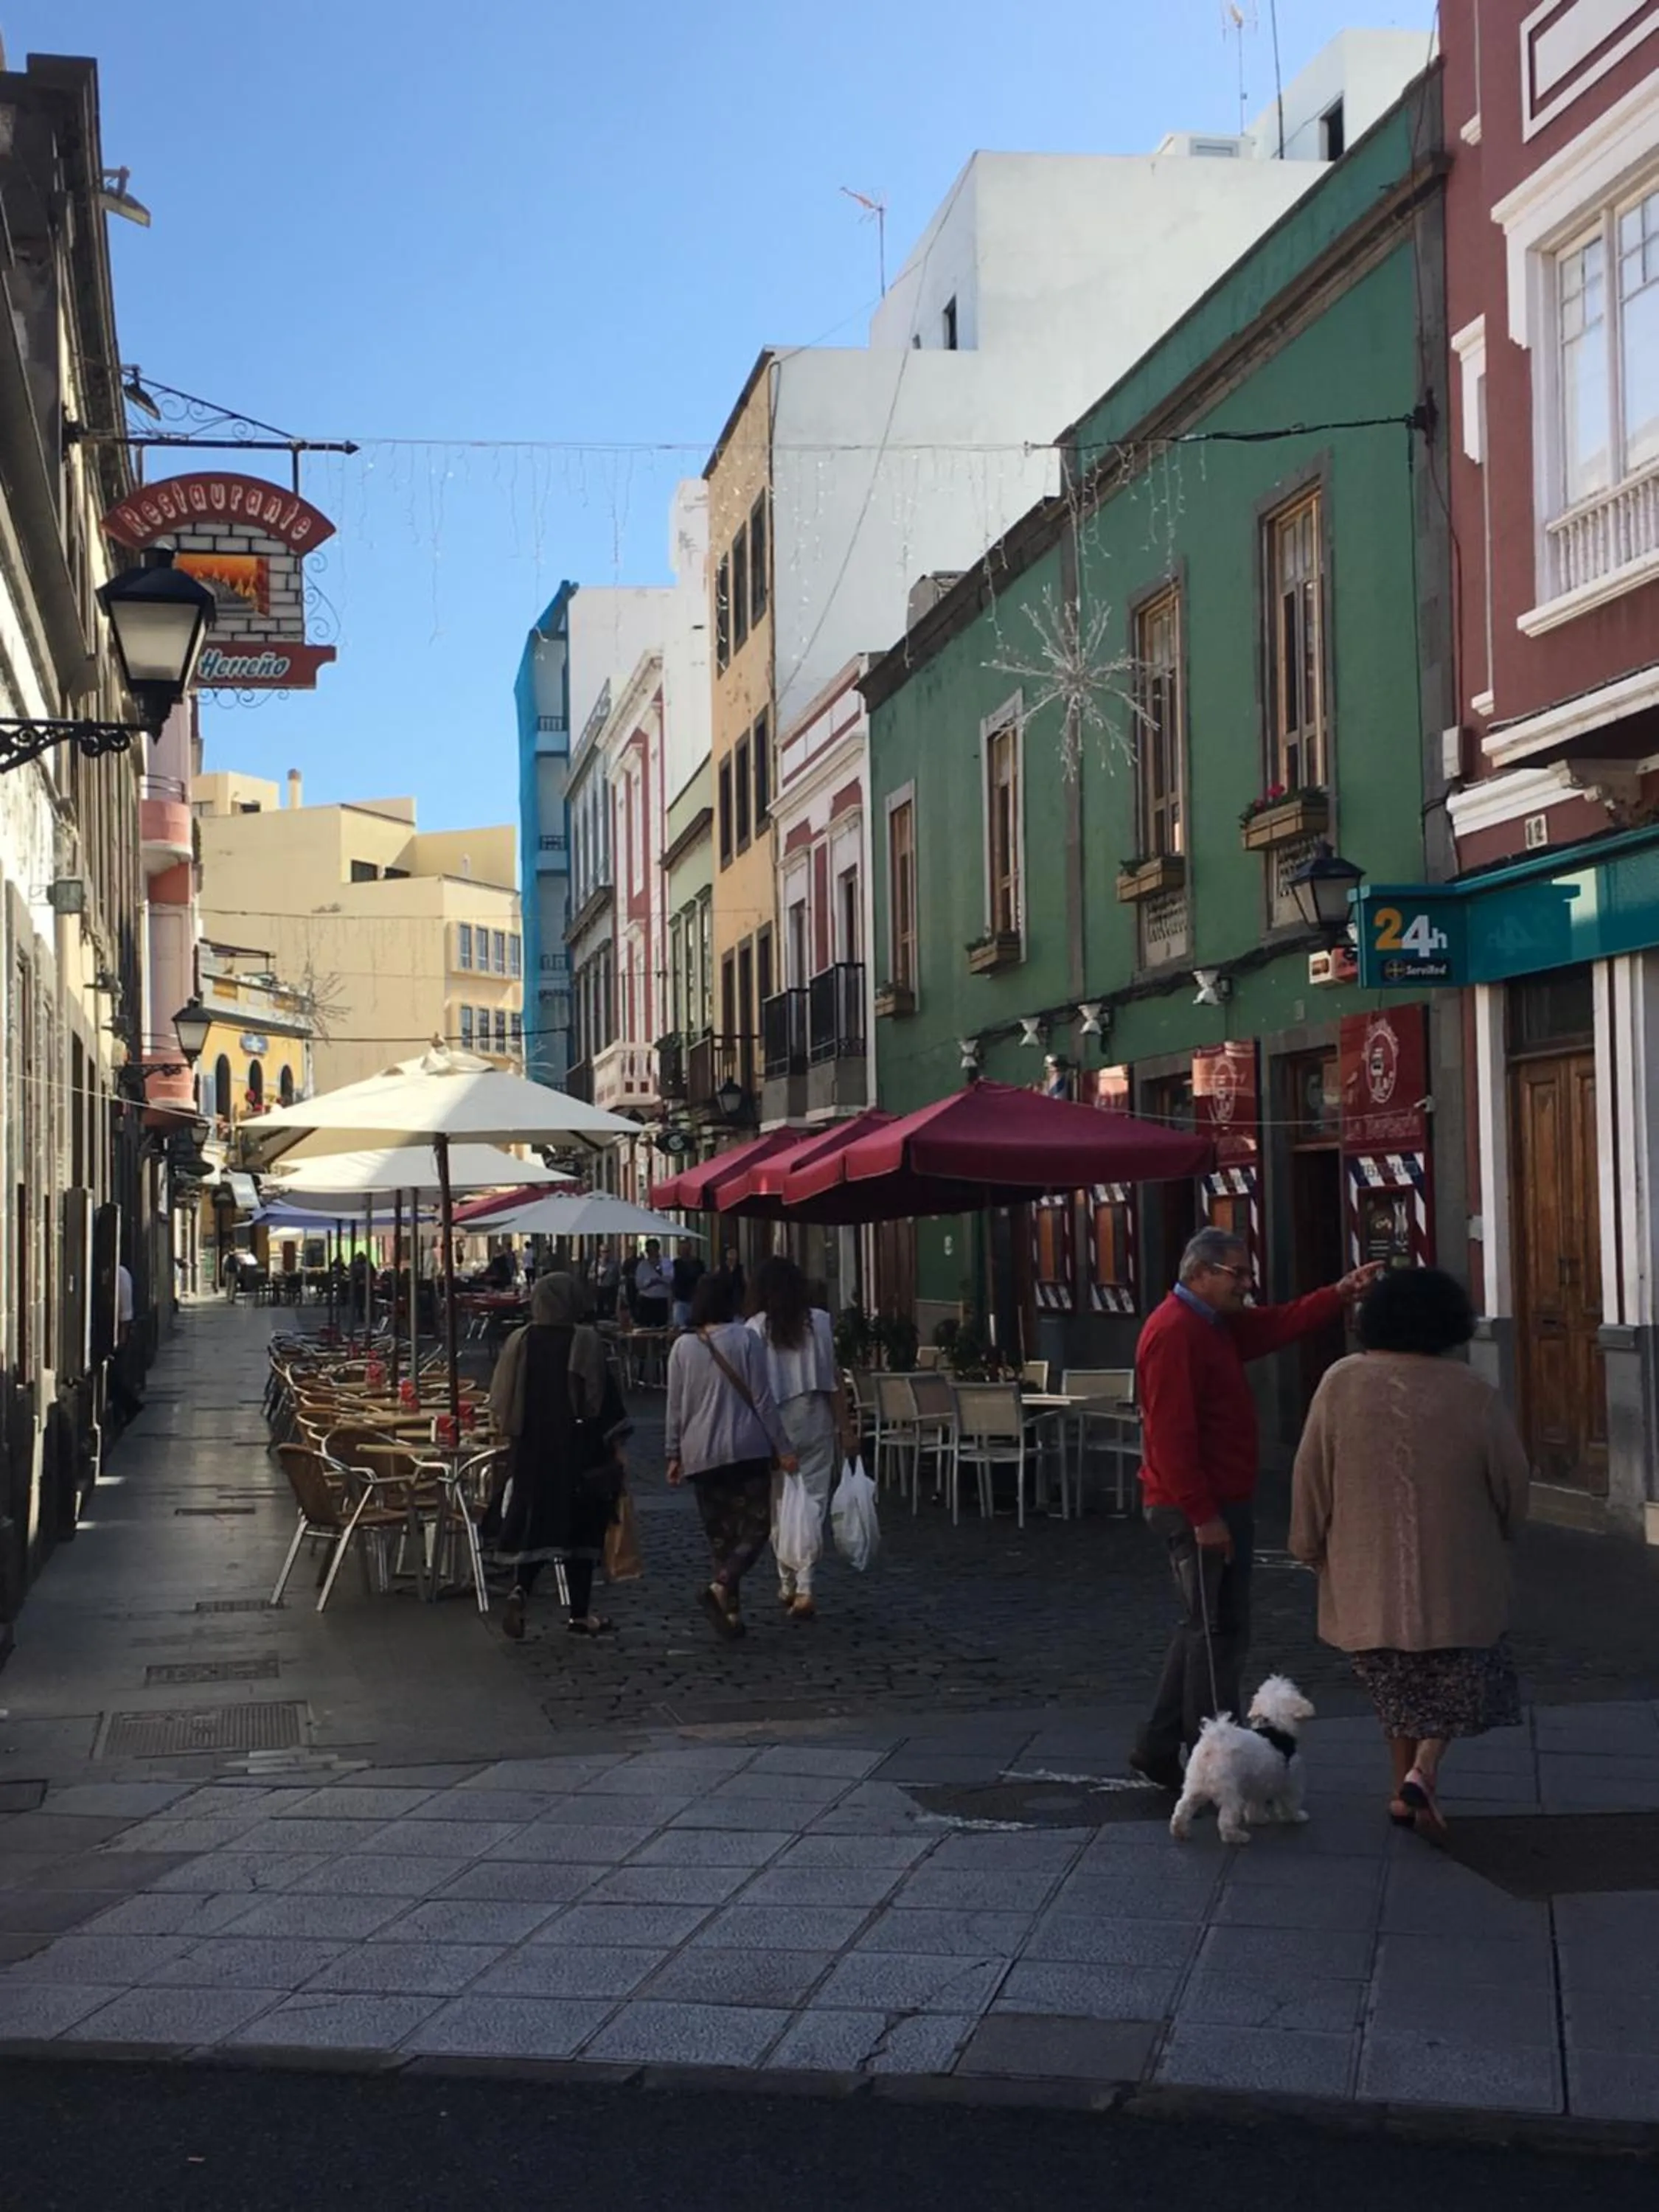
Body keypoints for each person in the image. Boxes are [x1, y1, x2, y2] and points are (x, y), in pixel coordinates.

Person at [1129, 1228, 1381, 1792]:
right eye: (1237, 1274)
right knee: (1215, 1634)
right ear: (1201, 1273)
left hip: (1220, 1499)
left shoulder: (1212, 1325)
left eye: (1248, 1273)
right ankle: (1211, 1755)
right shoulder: (1176, 1332)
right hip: (1197, 1504)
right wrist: (1202, 1514)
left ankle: (1157, 1745)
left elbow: (1274, 1324)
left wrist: (1339, 1293)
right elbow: (1170, 1437)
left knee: (1205, 1627)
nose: (1248, 1284)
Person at [1290, 1266, 1531, 1838]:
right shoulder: (1472, 1391)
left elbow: (1311, 1473)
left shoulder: (1340, 1382)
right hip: (1458, 1572)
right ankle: (1422, 1772)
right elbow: (1511, 1481)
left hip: (1365, 1568)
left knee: (1395, 1682)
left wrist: (1307, 1542)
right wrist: (1505, 1528)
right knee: (1459, 1674)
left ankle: (1404, 1787)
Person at [487, 1272, 632, 1642]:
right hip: (578, 1450)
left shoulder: (519, 1341)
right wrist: (617, 1449)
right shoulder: (585, 1340)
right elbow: (603, 1399)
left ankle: (521, 1590)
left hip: (531, 1450)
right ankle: (580, 1615)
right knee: (580, 1530)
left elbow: (502, 1400)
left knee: (536, 1523)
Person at [666, 1273, 796, 1640]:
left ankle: (732, 1613)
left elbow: (674, 1407)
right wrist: (783, 1447)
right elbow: (763, 1400)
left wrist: (672, 1453)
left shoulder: (682, 1348)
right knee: (755, 1527)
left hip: (701, 1453)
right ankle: (721, 1588)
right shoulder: (747, 1340)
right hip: (746, 1449)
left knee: (720, 1536)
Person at [748, 1254, 856, 1620]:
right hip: (815, 1420)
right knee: (813, 1504)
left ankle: (786, 1580)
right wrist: (846, 1428)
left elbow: (754, 1389)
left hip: (773, 1426)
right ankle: (806, 1584)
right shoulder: (820, 1323)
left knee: (779, 1505)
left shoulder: (754, 1329)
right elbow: (834, 1380)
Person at [110, 1259, 144, 1422]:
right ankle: (127, 1408)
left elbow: (126, 1312)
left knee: (116, 1376)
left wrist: (122, 1338)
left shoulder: (121, 1275)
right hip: (115, 1333)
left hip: (121, 1333)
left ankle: (131, 1406)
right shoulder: (116, 1273)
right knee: (115, 1376)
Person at [633, 1239, 672, 1328]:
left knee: (662, 1327)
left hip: (662, 1299)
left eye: (654, 1249)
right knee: (646, 1326)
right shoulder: (642, 1265)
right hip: (647, 1300)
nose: (652, 1253)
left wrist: (660, 1276)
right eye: (649, 1250)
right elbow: (639, 1284)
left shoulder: (666, 1262)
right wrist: (651, 1282)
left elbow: (670, 1279)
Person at [670, 1245, 706, 1329]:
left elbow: (702, 1279)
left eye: (686, 1249)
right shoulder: (676, 1264)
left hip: (695, 1299)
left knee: (696, 1326)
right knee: (681, 1327)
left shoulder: (698, 1263)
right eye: (682, 1249)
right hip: (680, 1299)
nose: (684, 1251)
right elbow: (671, 1280)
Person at [712, 1244, 747, 1315]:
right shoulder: (721, 1268)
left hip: (737, 1298)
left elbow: (745, 1282)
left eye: (734, 1253)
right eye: (731, 1253)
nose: (733, 1256)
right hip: (723, 1297)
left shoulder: (740, 1268)